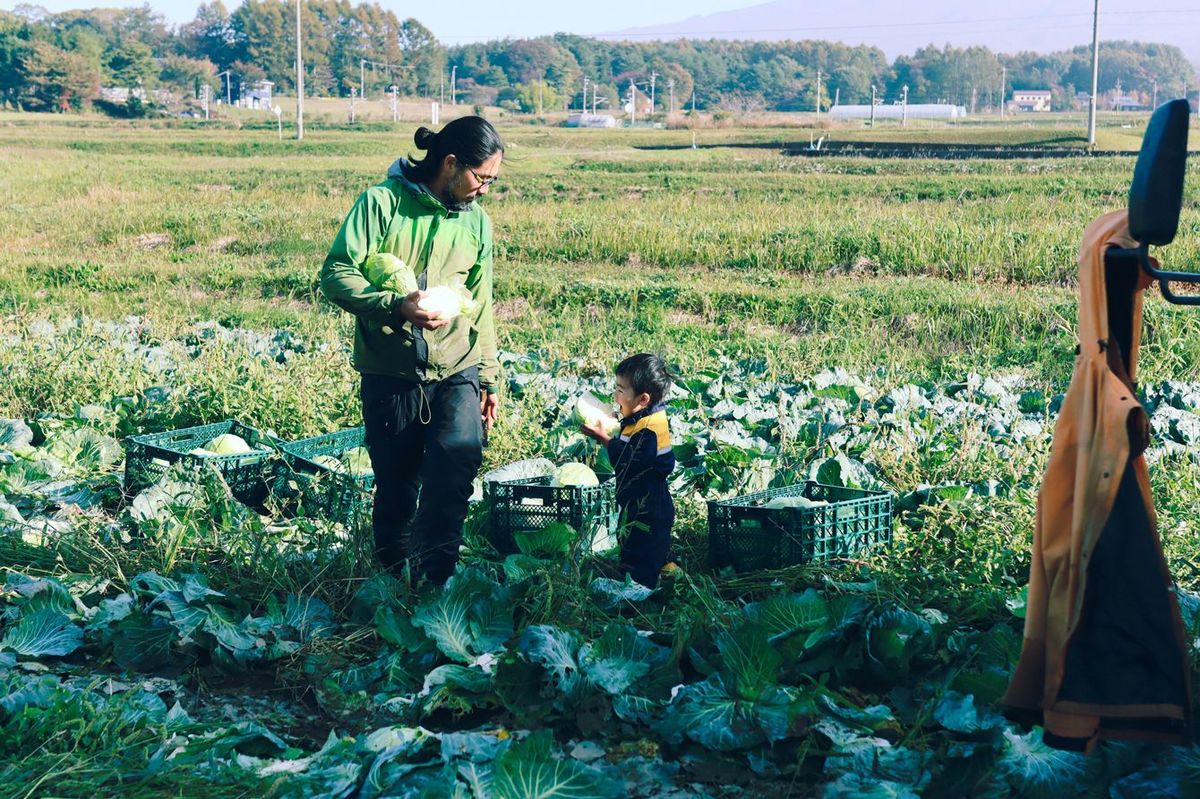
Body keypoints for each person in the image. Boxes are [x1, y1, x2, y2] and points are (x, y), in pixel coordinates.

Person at [319, 116, 503, 586]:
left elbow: (480, 303)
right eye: (481, 178)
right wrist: (396, 306)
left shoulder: (476, 222)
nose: (484, 190)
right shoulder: (381, 204)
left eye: (492, 182)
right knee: (397, 485)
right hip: (392, 371)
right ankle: (392, 581)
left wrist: (488, 376)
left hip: (457, 366)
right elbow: (337, 274)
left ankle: (434, 581)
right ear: (449, 162)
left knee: (455, 470)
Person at [581, 353, 676, 588]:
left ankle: (640, 591)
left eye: (621, 390)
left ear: (643, 399)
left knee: (640, 547)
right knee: (648, 545)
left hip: (648, 506)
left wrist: (606, 440)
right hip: (645, 499)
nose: (616, 395)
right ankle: (663, 571)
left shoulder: (648, 430)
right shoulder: (643, 416)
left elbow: (628, 461)